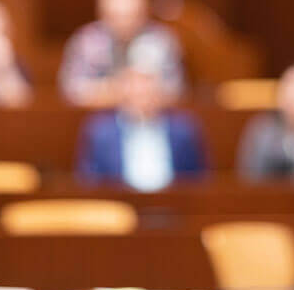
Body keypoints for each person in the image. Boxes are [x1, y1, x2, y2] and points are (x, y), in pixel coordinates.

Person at [76, 40, 207, 191]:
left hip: (175, 210)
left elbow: (199, 184)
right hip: (119, 210)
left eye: (148, 81)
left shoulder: (184, 130)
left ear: (162, 87)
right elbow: (88, 185)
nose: (141, 90)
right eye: (133, 81)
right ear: (120, 86)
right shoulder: (99, 132)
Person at [59, 0, 185, 107]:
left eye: (132, 15)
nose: (125, 24)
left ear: (145, 12)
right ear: (101, 14)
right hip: (98, 121)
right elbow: (71, 90)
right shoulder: (85, 41)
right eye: (116, 16)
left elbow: (176, 90)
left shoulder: (162, 39)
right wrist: (121, 90)